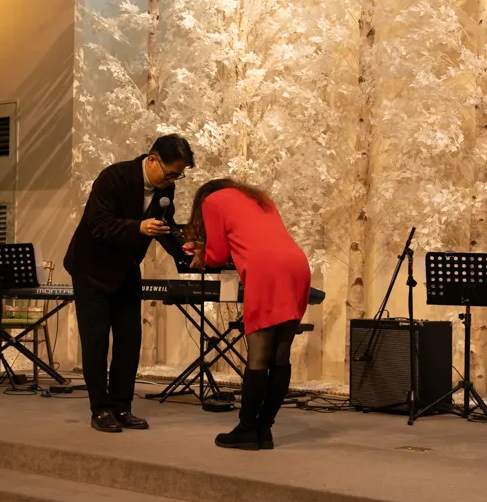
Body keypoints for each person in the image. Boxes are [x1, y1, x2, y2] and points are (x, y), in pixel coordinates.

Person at [64, 135, 195, 433]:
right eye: (170, 173)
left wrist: (185, 252)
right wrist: (138, 226)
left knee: (129, 339)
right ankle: (100, 409)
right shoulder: (114, 176)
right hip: (91, 269)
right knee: (96, 340)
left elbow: (163, 227)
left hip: (126, 269)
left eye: (177, 176)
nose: (171, 181)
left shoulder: (166, 189)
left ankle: (122, 406)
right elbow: (98, 223)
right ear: (152, 160)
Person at [185, 179, 311, 450]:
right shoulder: (259, 198)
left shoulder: (211, 201)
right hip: (297, 265)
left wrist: (202, 252)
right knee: (280, 356)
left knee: (258, 358)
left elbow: (217, 255)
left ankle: (246, 429)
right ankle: (264, 429)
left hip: (266, 270)